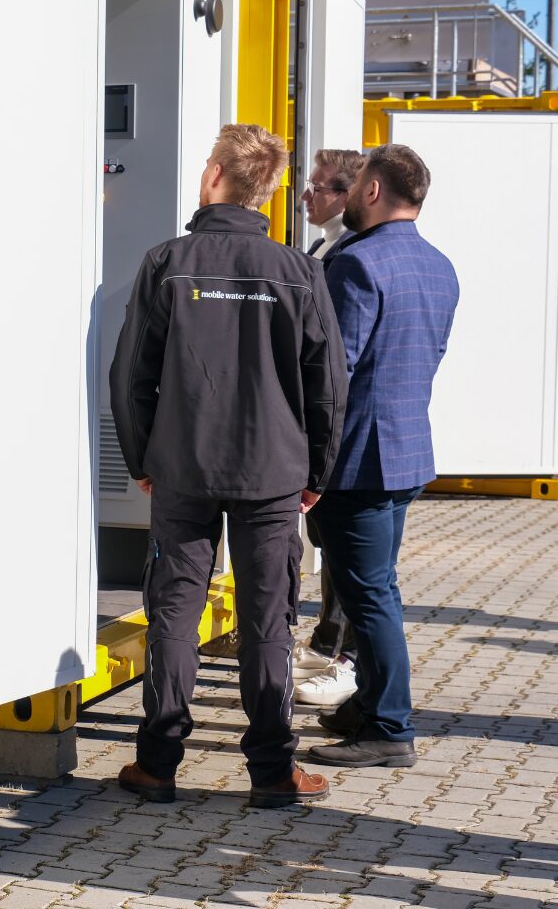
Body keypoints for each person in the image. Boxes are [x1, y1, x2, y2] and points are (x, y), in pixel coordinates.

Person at [109, 124, 348, 808]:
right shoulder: (299, 270)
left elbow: (131, 376)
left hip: (181, 467)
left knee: (174, 613)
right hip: (273, 473)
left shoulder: (167, 263)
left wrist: (142, 456)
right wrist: (317, 473)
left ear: (215, 174)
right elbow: (329, 383)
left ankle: (156, 764)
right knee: (268, 619)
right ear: (266, 189)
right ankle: (273, 773)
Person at [307, 144, 459, 769]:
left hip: (358, 460)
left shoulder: (359, 263)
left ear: (371, 191)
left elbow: (332, 374)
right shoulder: (439, 265)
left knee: (370, 596)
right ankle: (369, 707)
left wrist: (310, 464)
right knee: (377, 588)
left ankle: (390, 728)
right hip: (404, 452)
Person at [294, 148, 368, 709]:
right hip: (321, 424)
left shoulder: (350, 254)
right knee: (326, 539)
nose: (307, 195)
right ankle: (327, 639)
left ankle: (345, 657)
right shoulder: (325, 245)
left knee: (345, 549)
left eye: (319, 187)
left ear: (348, 194)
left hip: (342, 426)